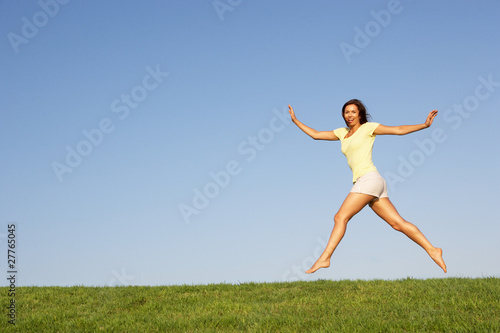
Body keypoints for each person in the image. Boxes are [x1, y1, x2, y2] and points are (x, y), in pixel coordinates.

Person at [288, 99, 447, 274]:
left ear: (360, 114)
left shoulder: (368, 128)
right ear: (343, 115)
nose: (349, 115)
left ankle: (325, 258)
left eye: (353, 112)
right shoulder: (342, 133)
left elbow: (398, 130)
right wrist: (295, 121)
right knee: (397, 223)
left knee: (340, 217)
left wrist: (424, 125)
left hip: (369, 180)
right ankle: (433, 250)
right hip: (372, 182)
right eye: (346, 112)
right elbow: (316, 134)